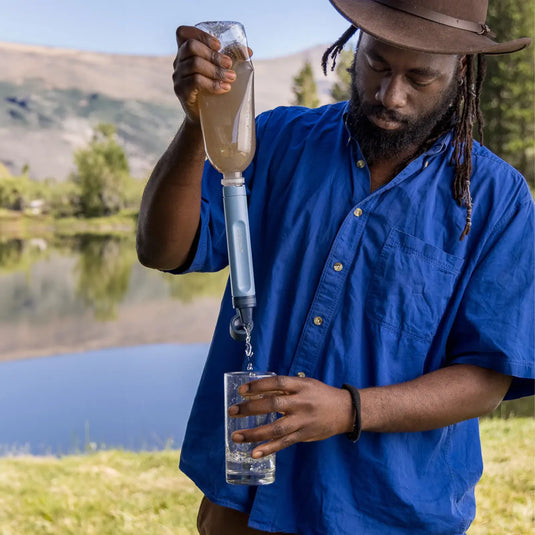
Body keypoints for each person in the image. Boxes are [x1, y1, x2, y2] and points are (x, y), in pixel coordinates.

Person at [136, 0, 534, 533]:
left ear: (461, 68)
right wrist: (196, 122)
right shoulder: (275, 142)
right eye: (377, 65)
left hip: (390, 514)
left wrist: (351, 410)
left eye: (420, 77)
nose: (391, 96)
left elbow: (486, 377)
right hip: (245, 504)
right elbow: (162, 249)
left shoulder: (497, 199)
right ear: (355, 44)